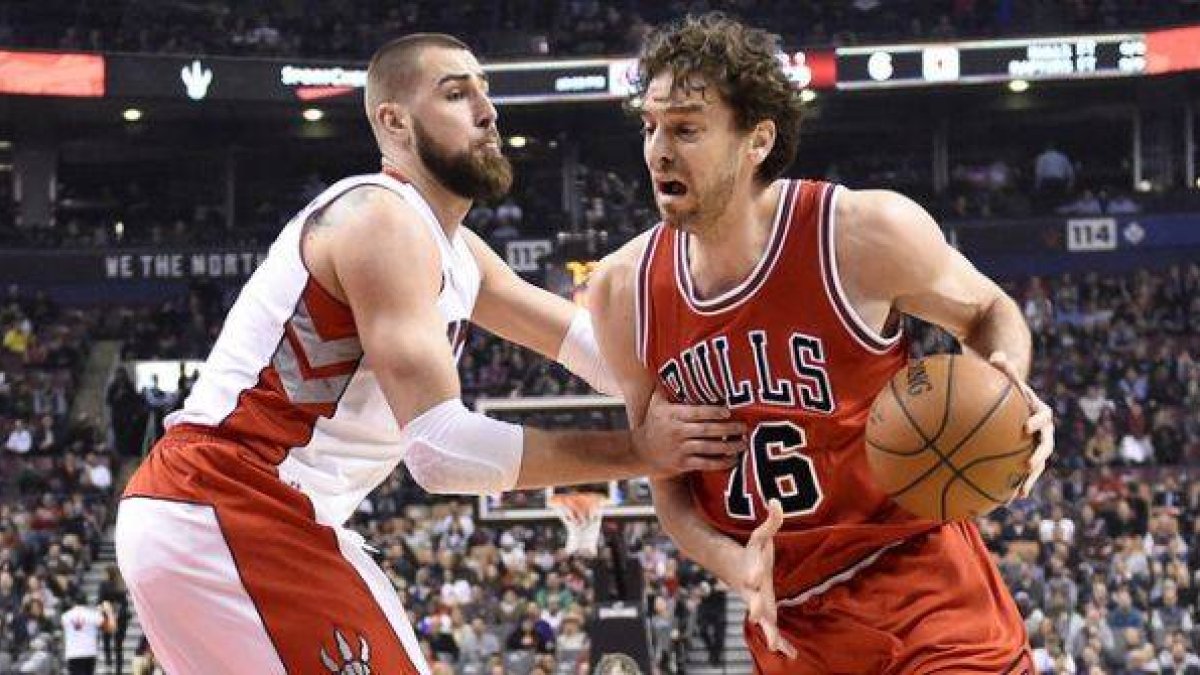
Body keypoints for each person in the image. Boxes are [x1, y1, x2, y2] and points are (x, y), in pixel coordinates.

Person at [114, 33, 743, 675]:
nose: (487, 111)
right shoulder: (379, 218)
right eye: (456, 94)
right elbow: (441, 453)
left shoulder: (458, 251)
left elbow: (594, 350)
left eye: (484, 92)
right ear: (394, 122)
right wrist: (639, 451)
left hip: (233, 516)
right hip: (229, 500)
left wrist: (733, 379)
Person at [588, 13, 1055, 674]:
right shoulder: (621, 291)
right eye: (650, 126)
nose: (659, 151)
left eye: (686, 129)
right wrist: (733, 563)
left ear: (757, 140)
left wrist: (1006, 388)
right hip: (790, 621)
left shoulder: (861, 234)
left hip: (923, 586)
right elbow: (670, 486)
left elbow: (987, 310)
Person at [61, 592, 115, 675]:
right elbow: (110, 628)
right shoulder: (93, 615)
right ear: (86, 602)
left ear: (73, 602)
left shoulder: (65, 616)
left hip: (73, 653)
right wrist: (109, 612)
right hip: (89, 652)